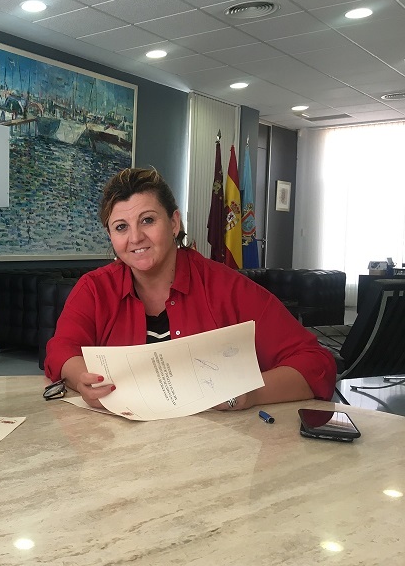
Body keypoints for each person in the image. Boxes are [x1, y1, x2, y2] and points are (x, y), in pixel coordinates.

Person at [44, 167, 336, 410]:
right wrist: (80, 377)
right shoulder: (94, 289)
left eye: (147, 220)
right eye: (121, 227)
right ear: (110, 235)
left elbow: (316, 363)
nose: (135, 237)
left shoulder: (226, 287)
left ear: (174, 223)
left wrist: (248, 394)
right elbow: (60, 349)